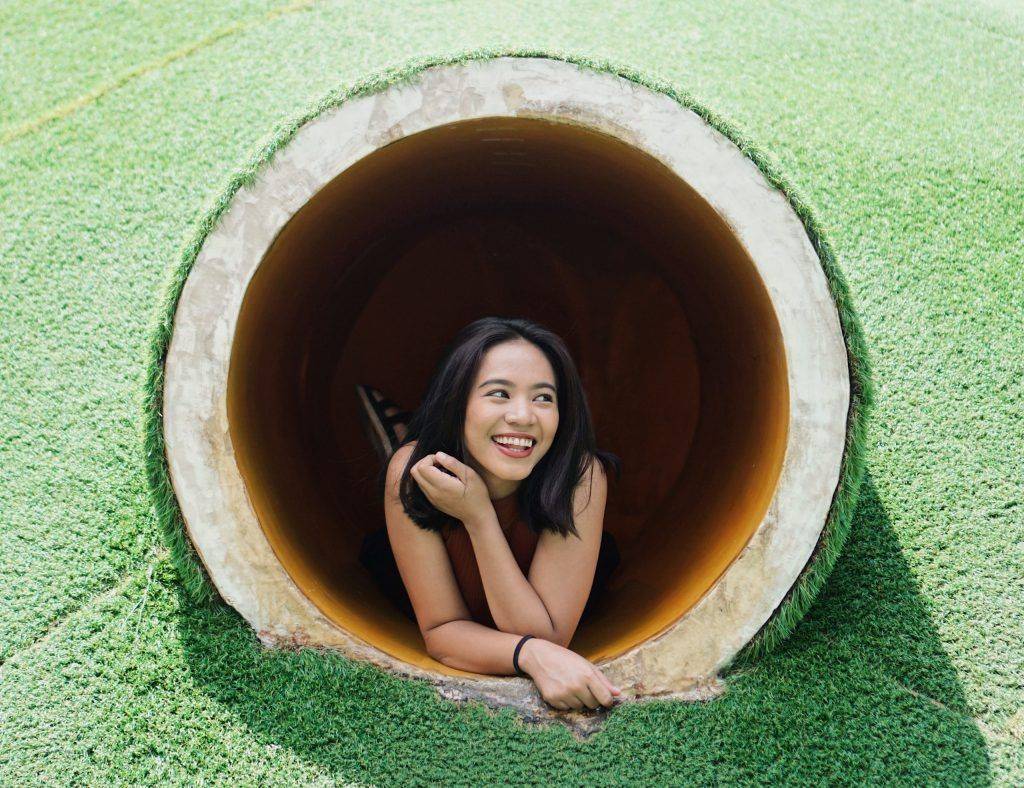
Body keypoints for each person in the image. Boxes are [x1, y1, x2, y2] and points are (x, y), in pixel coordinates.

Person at [356, 316, 623, 712]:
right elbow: (442, 630)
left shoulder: (580, 475)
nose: (523, 416)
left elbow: (543, 634)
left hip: (540, 583)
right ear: (457, 403)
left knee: (608, 559)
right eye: (499, 393)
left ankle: (403, 426)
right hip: (434, 560)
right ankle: (404, 435)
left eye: (543, 398)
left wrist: (478, 515)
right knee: (378, 550)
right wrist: (529, 656)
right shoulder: (412, 472)